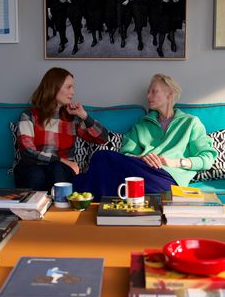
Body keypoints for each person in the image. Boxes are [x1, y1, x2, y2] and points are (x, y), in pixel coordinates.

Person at [73, 74, 217, 201]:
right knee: (101, 157)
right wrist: (142, 158)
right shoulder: (141, 125)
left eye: (154, 92)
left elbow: (207, 158)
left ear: (170, 94)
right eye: (148, 92)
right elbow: (126, 155)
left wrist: (176, 162)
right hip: (141, 174)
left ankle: (81, 193)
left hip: (169, 180)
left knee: (95, 174)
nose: (148, 97)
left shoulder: (190, 123)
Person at [14, 67, 108, 192]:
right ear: (54, 87)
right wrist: (62, 160)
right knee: (36, 174)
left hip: (61, 170)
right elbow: (27, 152)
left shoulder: (72, 117)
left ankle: (61, 209)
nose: (73, 92)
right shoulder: (29, 115)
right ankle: (35, 209)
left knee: (57, 168)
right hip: (33, 166)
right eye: (69, 87)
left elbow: (102, 138)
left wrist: (84, 116)